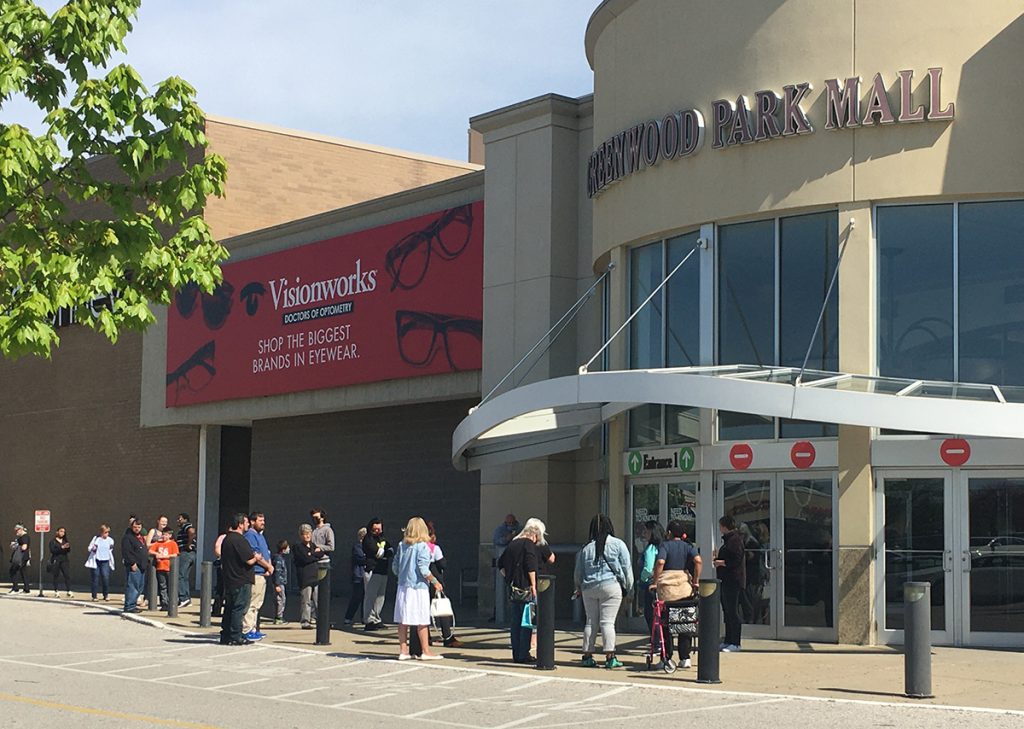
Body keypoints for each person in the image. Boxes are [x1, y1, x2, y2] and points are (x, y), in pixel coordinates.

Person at [574, 514, 633, 669]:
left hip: (589, 588)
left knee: (590, 622)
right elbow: (627, 569)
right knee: (607, 622)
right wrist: (628, 588)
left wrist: (578, 587)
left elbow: (578, 573)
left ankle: (587, 655)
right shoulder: (618, 544)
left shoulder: (586, 548)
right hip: (611, 586)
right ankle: (610, 657)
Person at [650, 519, 702, 669]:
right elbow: (698, 561)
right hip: (684, 589)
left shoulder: (665, 545)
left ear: (669, 533)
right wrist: (696, 581)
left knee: (665, 625)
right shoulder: (688, 547)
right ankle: (685, 658)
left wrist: (655, 581)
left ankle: (666, 657)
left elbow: (660, 562)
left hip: (667, 590)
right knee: (684, 624)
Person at [392, 517, 443, 661]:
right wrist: (435, 582)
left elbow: (395, 567)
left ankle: (403, 650)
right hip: (418, 587)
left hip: (403, 586)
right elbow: (423, 569)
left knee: (403, 620)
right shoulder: (423, 546)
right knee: (422, 620)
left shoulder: (402, 545)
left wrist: (402, 574)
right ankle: (425, 650)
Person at [498, 518, 543, 664]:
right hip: (526, 589)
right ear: (534, 534)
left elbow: (500, 564)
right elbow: (530, 566)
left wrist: (510, 578)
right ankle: (524, 653)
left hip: (513, 589)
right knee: (527, 622)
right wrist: (533, 586)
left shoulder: (513, 544)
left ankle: (516, 653)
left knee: (515, 622)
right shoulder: (528, 545)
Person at [219, 513, 259, 646]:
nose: (248, 524)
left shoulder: (227, 539)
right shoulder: (239, 540)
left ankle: (225, 635)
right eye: (246, 522)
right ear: (240, 524)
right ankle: (236, 636)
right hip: (241, 580)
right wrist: (257, 558)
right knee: (239, 608)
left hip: (230, 579)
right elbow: (248, 560)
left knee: (229, 608)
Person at [713, 515, 747, 652]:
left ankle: (736, 642)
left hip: (733, 580)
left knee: (733, 611)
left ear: (725, 526)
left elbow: (736, 560)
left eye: (721, 526)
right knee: (727, 611)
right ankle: (728, 639)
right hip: (725, 580)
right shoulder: (728, 541)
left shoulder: (735, 540)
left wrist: (721, 562)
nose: (720, 528)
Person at [426, 521, 462, 648]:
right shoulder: (434, 548)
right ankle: (448, 637)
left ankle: (426, 638)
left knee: (424, 610)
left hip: (421, 583)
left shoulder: (415, 547)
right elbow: (443, 564)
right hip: (434, 580)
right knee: (442, 610)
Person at [242, 511, 275, 641]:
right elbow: (256, 555)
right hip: (255, 573)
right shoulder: (250, 535)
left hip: (263, 573)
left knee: (258, 603)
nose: (263, 523)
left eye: (263, 520)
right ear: (252, 522)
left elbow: (265, 552)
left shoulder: (260, 536)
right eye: (260, 521)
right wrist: (268, 566)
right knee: (252, 603)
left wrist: (269, 565)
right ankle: (247, 629)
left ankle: (253, 628)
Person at [361, 518, 393, 630]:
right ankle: (369, 620)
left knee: (380, 596)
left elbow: (390, 551)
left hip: (383, 570)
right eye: (375, 529)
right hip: (372, 570)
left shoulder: (383, 538)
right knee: (370, 596)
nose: (378, 531)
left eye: (379, 529)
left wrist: (385, 553)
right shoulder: (368, 539)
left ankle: (376, 618)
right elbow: (377, 553)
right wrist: (384, 553)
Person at [293, 523, 325, 629]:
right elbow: (305, 558)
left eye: (309, 534)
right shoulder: (298, 546)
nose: (307, 536)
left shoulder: (312, 545)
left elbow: (321, 554)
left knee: (317, 600)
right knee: (306, 600)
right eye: (304, 534)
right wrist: (313, 554)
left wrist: (312, 554)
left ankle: (318, 619)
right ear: (301, 535)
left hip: (315, 576)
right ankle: (305, 621)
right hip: (305, 577)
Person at [638, 521, 666, 635]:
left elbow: (648, 569)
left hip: (651, 584)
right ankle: (661, 641)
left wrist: (642, 579)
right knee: (662, 615)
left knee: (651, 615)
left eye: (646, 531)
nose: (644, 534)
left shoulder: (651, 549)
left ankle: (656, 641)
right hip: (664, 583)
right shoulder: (664, 547)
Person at [491, 514, 519, 621]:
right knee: (500, 588)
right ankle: (498, 613)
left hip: (516, 563)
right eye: (508, 523)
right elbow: (497, 541)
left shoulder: (519, 529)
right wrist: (507, 539)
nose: (511, 526)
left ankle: (513, 613)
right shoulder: (500, 530)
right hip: (503, 561)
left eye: (513, 523)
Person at [121, 518, 148, 614]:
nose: (137, 529)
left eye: (139, 527)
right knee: (133, 586)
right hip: (134, 566)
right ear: (131, 527)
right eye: (135, 527)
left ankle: (133, 604)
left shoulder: (140, 537)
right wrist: (132, 563)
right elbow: (126, 552)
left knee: (140, 587)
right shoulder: (128, 538)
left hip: (142, 566)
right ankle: (129, 606)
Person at [148, 528, 179, 610]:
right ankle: (164, 603)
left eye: (166, 535)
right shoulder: (158, 543)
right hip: (160, 567)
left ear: (170, 535)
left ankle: (171, 602)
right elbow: (150, 550)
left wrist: (165, 556)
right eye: (163, 534)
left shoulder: (173, 544)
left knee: (170, 586)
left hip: (169, 567)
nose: (164, 536)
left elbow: (175, 554)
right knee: (162, 586)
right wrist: (156, 553)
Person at [343, 527, 367, 625]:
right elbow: (361, 558)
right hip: (359, 576)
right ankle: (348, 617)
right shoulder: (357, 547)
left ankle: (364, 617)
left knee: (366, 598)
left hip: (367, 575)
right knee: (357, 597)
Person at [85, 524, 115, 600]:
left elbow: (110, 549)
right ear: (101, 532)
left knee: (105, 577)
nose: (106, 534)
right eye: (105, 532)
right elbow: (89, 548)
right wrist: (93, 548)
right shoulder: (96, 539)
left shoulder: (110, 540)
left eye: (108, 532)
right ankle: (94, 596)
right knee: (95, 578)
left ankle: (106, 595)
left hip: (105, 560)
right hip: (96, 560)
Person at [175, 512, 197, 608]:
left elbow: (192, 531)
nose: (178, 521)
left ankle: (183, 598)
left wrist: (188, 544)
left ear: (185, 519)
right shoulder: (183, 528)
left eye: (180, 519)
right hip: (190, 554)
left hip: (185, 553)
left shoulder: (186, 526)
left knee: (180, 575)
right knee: (184, 577)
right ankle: (187, 598)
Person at [48, 526, 73, 597]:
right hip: (56, 560)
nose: (62, 533)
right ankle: (56, 590)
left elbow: (68, 550)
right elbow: (52, 550)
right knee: (56, 575)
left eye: (64, 532)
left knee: (67, 575)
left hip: (64, 560)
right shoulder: (53, 541)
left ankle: (69, 590)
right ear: (57, 532)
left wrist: (67, 547)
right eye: (61, 531)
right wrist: (61, 547)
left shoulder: (65, 541)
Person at [8, 524, 32, 594]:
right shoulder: (23, 537)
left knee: (13, 571)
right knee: (23, 572)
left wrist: (16, 546)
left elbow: (24, 547)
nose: (16, 532)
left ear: (21, 529)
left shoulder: (24, 537)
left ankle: (15, 589)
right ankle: (26, 589)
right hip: (23, 557)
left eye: (17, 530)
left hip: (21, 557)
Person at [272, 539, 290, 624]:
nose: (289, 549)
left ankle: (279, 616)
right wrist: (277, 584)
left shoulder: (280, 558)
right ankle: (279, 617)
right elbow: (277, 571)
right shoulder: (278, 559)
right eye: (287, 547)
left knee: (281, 599)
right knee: (281, 599)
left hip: (281, 583)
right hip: (279, 583)